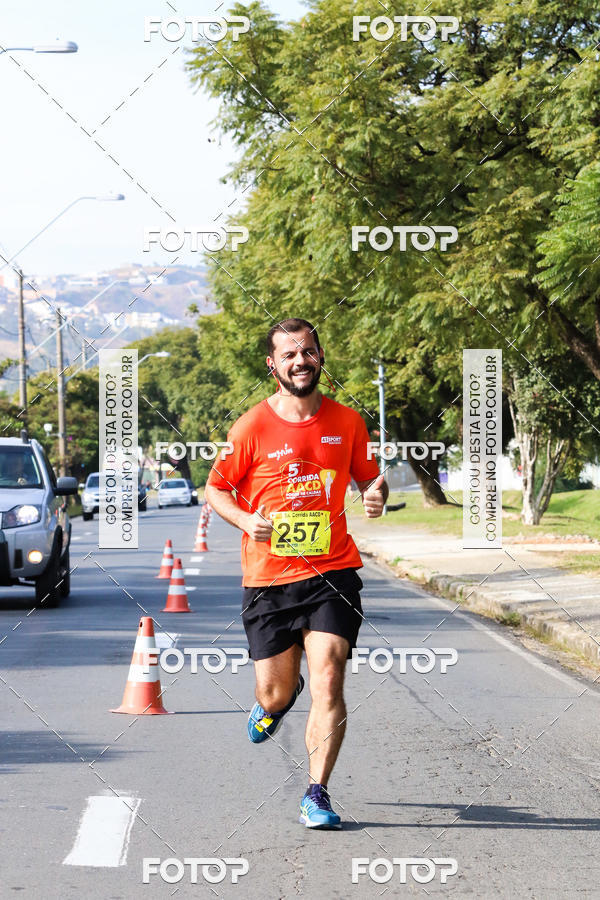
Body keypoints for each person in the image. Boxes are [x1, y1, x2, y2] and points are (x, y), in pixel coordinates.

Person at [204, 317, 388, 829]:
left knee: (329, 674)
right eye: (288, 355)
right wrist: (245, 519)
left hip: (333, 570)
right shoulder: (251, 426)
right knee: (276, 693)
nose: (299, 362)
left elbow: (371, 478)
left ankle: (317, 793)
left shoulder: (347, 422)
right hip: (269, 577)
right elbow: (215, 488)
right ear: (273, 365)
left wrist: (376, 495)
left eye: (306, 351)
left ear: (320, 355)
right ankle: (275, 704)